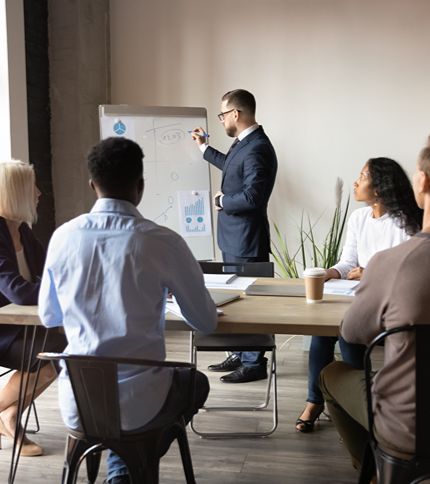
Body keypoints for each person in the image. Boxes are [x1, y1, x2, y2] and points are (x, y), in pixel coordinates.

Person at [38, 137, 218, 484]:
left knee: (119, 415)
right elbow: (205, 321)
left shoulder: (63, 237)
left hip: (80, 403)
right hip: (141, 406)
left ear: (93, 185)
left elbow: (50, 317)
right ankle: (130, 462)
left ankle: (123, 464)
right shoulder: (162, 241)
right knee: (195, 383)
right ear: (141, 186)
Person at [319, 137, 430, 470]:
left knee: (331, 373)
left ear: (422, 182)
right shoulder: (362, 222)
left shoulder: (393, 263)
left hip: (410, 430)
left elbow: (352, 333)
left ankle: (368, 469)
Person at [296, 157, 422, 433]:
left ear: (378, 188)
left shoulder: (405, 223)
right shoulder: (358, 218)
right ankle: (315, 401)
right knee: (321, 331)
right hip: (355, 296)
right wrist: (329, 273)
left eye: (362, 176)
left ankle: (354, 410)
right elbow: (347, 263)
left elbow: (406, 271)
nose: (355, 181)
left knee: (346, 333)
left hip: (385, 304)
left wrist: (369, 273)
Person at [191, 89, 278, 383]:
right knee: (237, 299)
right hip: (234, 238)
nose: (221, 120)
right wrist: (205, 148)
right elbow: (232, 168)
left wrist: (221, 202)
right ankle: (242, 354)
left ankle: (254, 363)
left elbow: (253, 197)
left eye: (222, 114)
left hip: (246, 239)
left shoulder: (257, 148)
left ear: (236, 114)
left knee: (249, 300)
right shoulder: (245, 143)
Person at [0, 160, 66, 457]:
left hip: (22, 325)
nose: (39, 193)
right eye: (32, 188)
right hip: (4, 331)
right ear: (15, 193)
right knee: (54, 350)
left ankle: (9, 416)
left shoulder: (23, 231)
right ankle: (6, 414)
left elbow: (50, 274)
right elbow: (18, 291)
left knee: (61, 351)